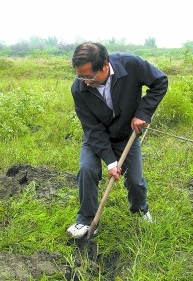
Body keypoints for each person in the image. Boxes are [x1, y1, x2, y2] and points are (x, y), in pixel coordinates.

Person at [66, 42, 168, 239]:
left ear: (105, 65)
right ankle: (86, 220)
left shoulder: (131, 65)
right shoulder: (79, 88)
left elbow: (160, 82)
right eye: (80, 75)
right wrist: (111, 161)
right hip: (96, 137)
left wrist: (143, 112)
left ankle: (139, 211)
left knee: (135, 180)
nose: (85, 81)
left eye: (89, 76)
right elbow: (92, 128)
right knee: (87, 170)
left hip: (125, 135)